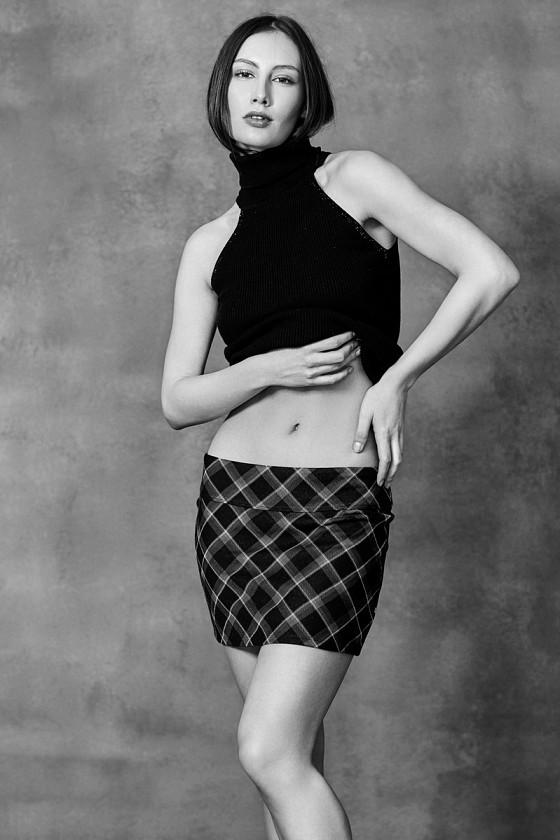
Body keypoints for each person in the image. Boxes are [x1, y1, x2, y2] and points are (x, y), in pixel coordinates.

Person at [161, 13, 519, 840]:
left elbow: (489, 270)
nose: (260, 93)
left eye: (282, 78)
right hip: (234, 509)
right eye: (245, 75)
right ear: (222, 93)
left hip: (333, 506)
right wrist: (265, 369)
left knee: (268, 750)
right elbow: (177, 399)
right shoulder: (210, 243)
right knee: (289, 763)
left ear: (305, 100)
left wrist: (398, 378)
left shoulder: (353, 180)